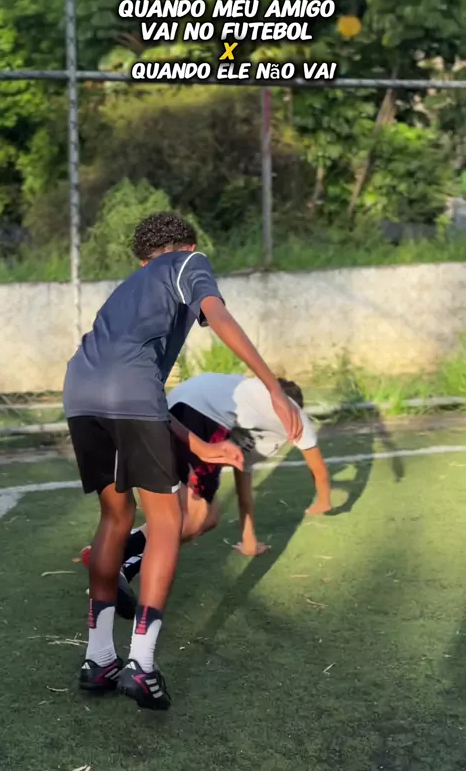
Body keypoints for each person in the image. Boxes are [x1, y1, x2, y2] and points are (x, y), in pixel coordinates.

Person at [63, 211, 302, 711]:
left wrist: (200, 446)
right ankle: (141, 665)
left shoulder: (128, 288)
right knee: (167, 521)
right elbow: (218, 316)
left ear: (142, 259)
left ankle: (98, 658)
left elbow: (134, 386)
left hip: (80, 392)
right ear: (186, 246)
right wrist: (274, 388)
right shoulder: (189, 262)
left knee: (114, 516)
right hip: (129, 393)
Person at [80, 373, 332, 617]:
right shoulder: (293, 413)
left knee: (207, 518)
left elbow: (242, 473)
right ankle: (113, 557)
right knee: (193, 518)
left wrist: (249, 539)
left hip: (173, 411)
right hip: (200, 415)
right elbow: (318, 470)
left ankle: (117, 562)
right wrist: (324, 502)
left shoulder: (249, 405)